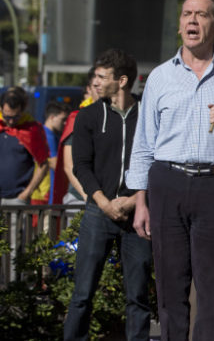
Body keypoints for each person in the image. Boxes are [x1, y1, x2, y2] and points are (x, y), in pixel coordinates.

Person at [127, 0, 214, 341]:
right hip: (166, 182)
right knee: (171, 284)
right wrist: (140, 201)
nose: (192, 20)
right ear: (179, 26)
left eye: (202, 15)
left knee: (212, 284)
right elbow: (144, 143)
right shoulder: (159, 76)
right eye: (187, 14)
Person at [63, 49, 152, 341]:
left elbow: (156, 161)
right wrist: (103, 202)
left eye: (102, 76)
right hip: (96, 213)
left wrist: (131, 200)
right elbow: (81, 166)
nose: (96, 81)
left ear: (122, 80)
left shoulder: (147, 113)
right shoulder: (87, 115)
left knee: (137, 295)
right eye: (96, 76)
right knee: (82, 294)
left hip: (136, 213)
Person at [55, 69, 100, 206]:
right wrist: (88, 196)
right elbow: (69, 166)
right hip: (80, 198)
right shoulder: (77, 118)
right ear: (89, 89)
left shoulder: (115, 117)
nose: (100, 89)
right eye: (95, 86)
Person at [0, 86, 49, 205]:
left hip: (18, 198)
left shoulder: (31, 130)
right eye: (7, 117)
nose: (11, 122)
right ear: (1, 109)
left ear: (22, 111)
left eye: (15, 117)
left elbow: (43, 164)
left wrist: (27, 192)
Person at [29, 101, 69, 206]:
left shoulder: (52, 135)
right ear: (52, 117)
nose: (65, 123)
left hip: (46, 194)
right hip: (44, 194)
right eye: (63, 119)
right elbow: (55, 163)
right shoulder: (47, 135)